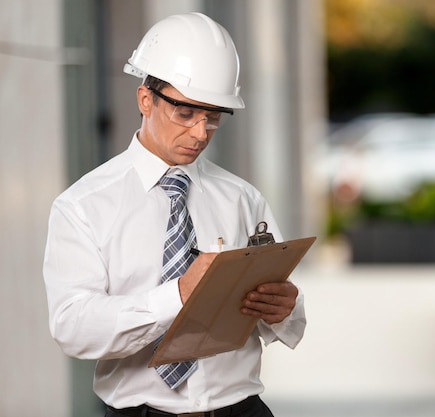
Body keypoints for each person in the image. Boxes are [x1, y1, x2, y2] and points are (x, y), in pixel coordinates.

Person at [43, 12, 305, 417]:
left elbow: (282, 305)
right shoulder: (83, 206)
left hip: (242, 409)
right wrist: (178, 295)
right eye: (186, 113)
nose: (201, 132)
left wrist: (285, 309)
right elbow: (72, 328)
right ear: (145, 99)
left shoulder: (242, 198)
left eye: (213, 116)